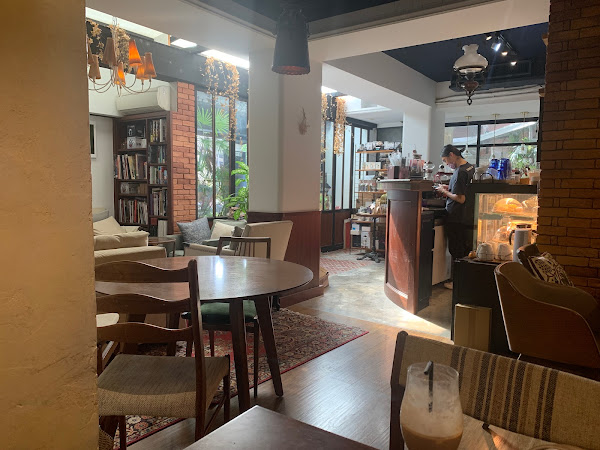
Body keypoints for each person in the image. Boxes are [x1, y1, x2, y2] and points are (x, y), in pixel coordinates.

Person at [435, 145, 474, 289]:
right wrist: (449, 188)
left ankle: (457, 283)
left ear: (452, 155)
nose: (447, 164)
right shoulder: (470, 167)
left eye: (446, 160)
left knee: (456, 250)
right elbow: (463, 190)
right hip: (466, 216)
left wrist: (444, 192)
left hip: (456, 216)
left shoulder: (460, 172)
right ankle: (463, 282)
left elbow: (460, 198)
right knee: (464, 249)